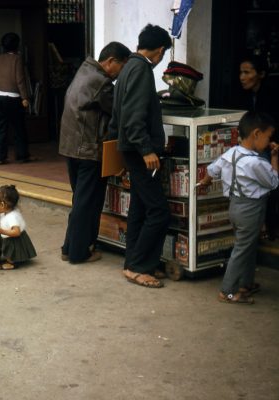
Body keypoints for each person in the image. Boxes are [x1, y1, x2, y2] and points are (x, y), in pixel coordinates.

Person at [108, 24, 172, 288]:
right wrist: (146, 150)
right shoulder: (141, 69)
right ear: (159, 51)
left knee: (140, 207)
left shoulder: (129, 68)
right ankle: (138, 266)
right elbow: (133, 118)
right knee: (159, 211)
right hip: (138, 150)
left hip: (130, 149)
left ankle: (132, 262)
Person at [59, 41, 131, 264]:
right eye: (122, 67)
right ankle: (78, 252)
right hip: (88, 150)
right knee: (86, 202)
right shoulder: (102, 83)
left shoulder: (84, 70)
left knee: (80, 199)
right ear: (111, 62)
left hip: (71, 147)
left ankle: (70, 247)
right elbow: (118, 110)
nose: (120, 74)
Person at [199, 111, 278, 304]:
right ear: (256, 134)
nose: (269, 142)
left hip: (235, 207)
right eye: (269, 137)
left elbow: (212, 170)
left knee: (248, 245)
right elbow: (274, 181)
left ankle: (246, 283)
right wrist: (275, 156)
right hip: (251, 209)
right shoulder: (256, 163)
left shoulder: (231, 153)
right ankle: (228, 291)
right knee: (243, 248)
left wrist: (205, 183)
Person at [238, 55, 279, 240]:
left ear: (260, 74)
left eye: (247, 72)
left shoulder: (272, 95)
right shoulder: (241, 96)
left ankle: (270, 227)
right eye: (241, 72)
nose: (242, 77)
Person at [0, 32, 34, 165]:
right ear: (17, 45)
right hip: (14, 98)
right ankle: (22, 155)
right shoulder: (17, 59)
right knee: (18, 128)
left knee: (0, 128)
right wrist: (25, 97)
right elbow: (20, 80)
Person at [0, 185, 36, 270]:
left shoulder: (12, 216)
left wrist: (2, 231)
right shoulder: (6, 212)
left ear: (2, 205)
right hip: (9, 237)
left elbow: (16, 232)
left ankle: (12, 263)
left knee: (11, 253)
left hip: (14, 240)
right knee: (8, 250)